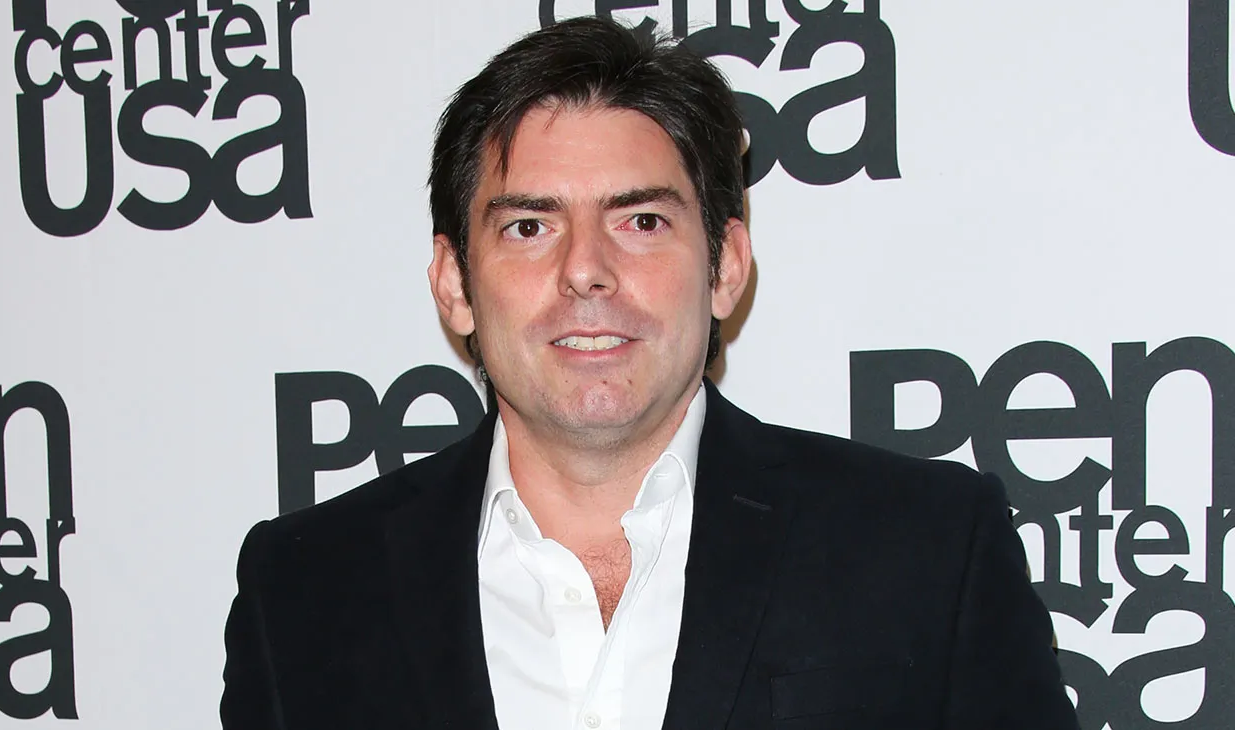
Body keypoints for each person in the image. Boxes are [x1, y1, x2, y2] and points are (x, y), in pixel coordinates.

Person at [221, 16, 1080, 730]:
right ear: (454, 284)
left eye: (640, 221)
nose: (585, 271)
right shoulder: (304, 590)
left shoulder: (926, 551)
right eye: (529, 227)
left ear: (726, 265)